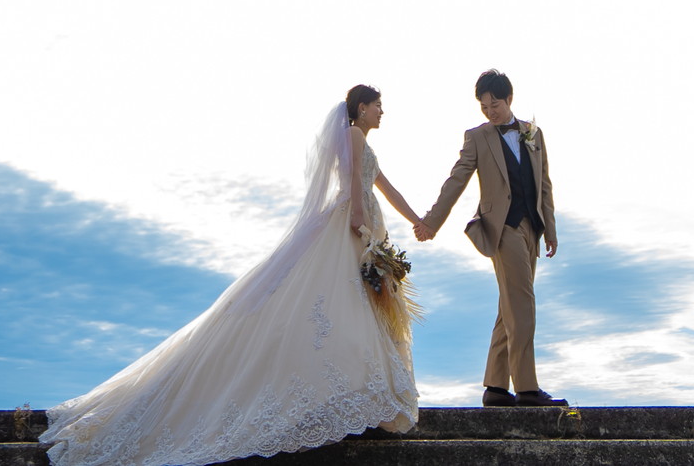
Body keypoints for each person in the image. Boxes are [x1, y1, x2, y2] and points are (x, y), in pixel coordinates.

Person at [42, 85, 426, 466]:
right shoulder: (354, 133)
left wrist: (418, 221)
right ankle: (345, 396)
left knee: (354, 309)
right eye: (378, 105)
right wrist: (358, 218)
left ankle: (359, 397)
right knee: (338, 305)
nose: (382, 112)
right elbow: (355, 181)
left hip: (364, 227)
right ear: (362, 107)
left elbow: (386, 187)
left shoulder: (364, 142)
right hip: (352, 226)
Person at [413, 68, 564, 407]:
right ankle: (527, 389)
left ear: (509, 99)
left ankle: (495, 387)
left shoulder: (533, 133)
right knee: (522, 304)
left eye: (494, 104)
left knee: (509, 306)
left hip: (532, 228)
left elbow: (544, 185)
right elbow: (456, 181)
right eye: (484, 107)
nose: (490, 112)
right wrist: (431, 222)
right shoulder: (477, 137)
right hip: (502, 229)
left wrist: (550, 230)